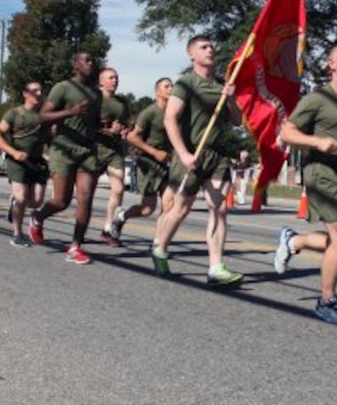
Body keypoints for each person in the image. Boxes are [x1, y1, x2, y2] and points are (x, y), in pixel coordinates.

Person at [273, 41, 337, 325]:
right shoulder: (318, 99)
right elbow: (287, 133)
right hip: (321, 171)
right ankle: (326, 301)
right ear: (331, 64)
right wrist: (317, 141)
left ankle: (293, 241)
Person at [148, 35, 245, 286]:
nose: (210, 50)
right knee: (180, 209)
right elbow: (170, 119)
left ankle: (216, 268)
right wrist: (183, 153)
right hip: (191, 152)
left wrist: (231, 97)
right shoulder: (186, 83)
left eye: (212, 46)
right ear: (192, 54)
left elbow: (237, 121)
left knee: (220, 209)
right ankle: (160, 248)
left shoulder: (223, 85)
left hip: (217, 154)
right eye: (203, 47)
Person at [29, 52, 102, 265]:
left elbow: (94, 122)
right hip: (63, 149)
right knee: (61, 201)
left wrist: (109, 128)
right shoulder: (62, 87)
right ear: (75, 65)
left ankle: (75, 246)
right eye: (87, 60)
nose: (92, 63)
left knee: (85, 198)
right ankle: (38, 217)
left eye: (93, 59)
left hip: (87, 151)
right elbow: (41, 116)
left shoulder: (96, 94)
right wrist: (70, 111)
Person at [111, 77, 175, 241]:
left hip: (167, 164)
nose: (171, 88)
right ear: (157, 92)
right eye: (166, 86)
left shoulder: (174, 113)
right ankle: (122, 215)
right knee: (147, 209)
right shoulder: (150, 112)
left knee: (169, 204)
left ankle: (158, 243)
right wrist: (154, 152)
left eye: (172, 86)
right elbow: (132, 137)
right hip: (147, 163)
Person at [0, 82, 49, 247]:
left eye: (41, 90)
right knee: (22, 197)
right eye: (35, 90)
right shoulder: (14, 113)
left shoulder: (43, 116)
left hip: (37, 162)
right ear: (25, 94)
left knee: (37, 202)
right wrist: (13, 152)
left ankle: (15, 203)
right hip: (17, 161)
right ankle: (17, 234)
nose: (39, 93)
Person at [96, 67, 131, 247]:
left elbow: (126, 125)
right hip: (94, 149)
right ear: (101, 81)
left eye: (116, 77)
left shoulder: (122, 103)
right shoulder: (95, 99)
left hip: (114, 150)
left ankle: (108, 229)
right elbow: (86, 125)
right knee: (80, 193)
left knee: (118, 189)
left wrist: (124, 130)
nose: (115, 80)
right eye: (111, 78)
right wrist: (108, 129)